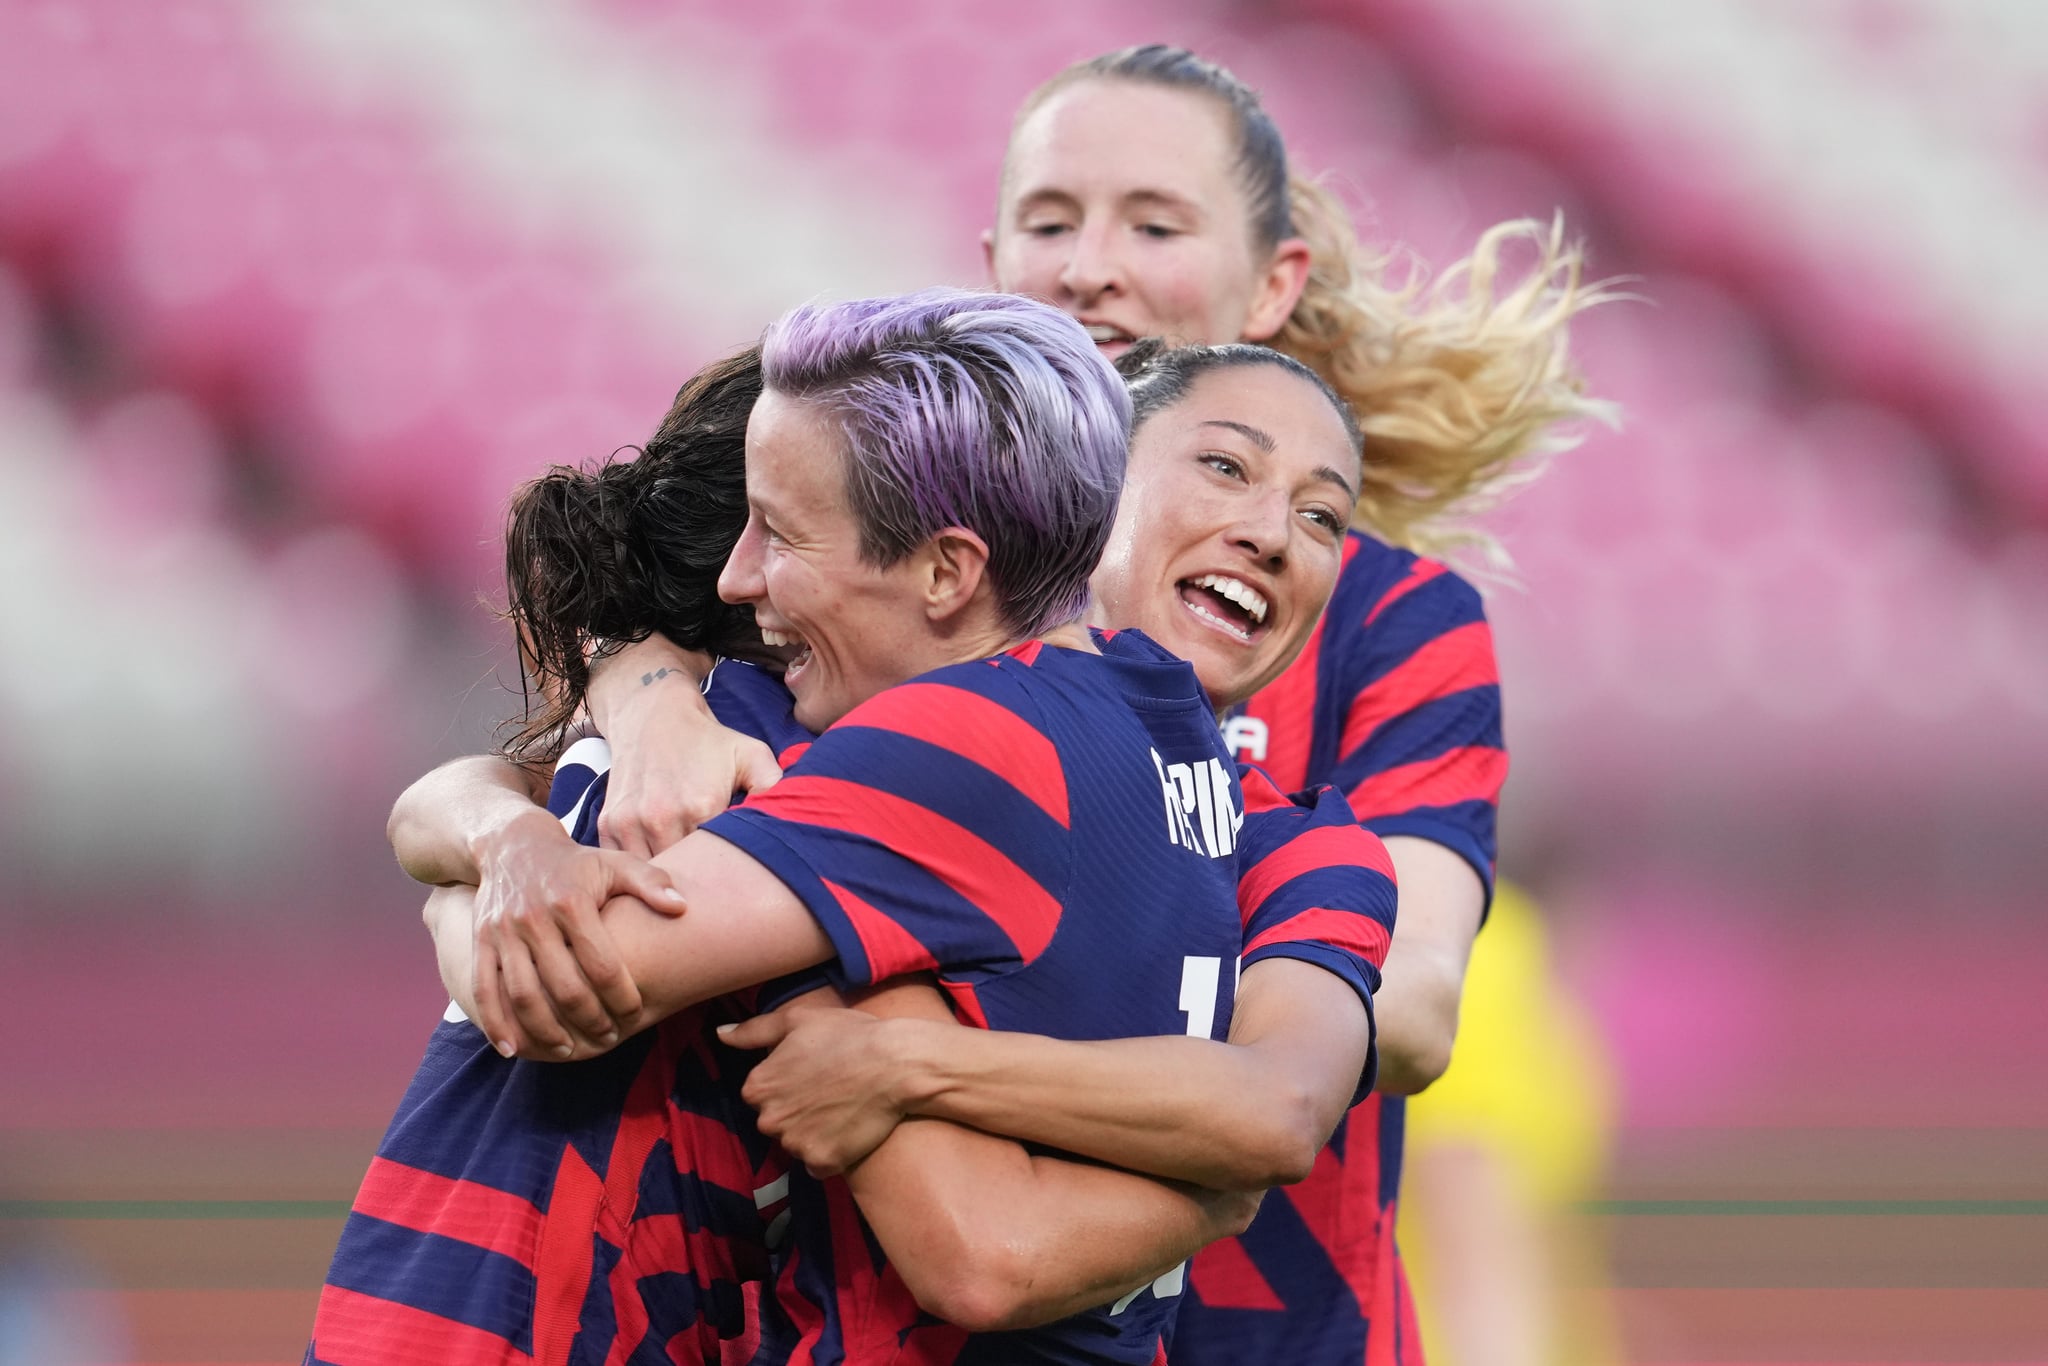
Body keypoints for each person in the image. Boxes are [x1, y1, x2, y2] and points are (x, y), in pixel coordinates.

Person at [577, 43, 1612, 1365]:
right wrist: (645, 697)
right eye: (1051, 221)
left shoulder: (1391, 617)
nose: (1091, 265)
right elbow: (628, 691)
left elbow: (1401, 1013)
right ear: (994, 258)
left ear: (1275, 281)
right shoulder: (916, 555)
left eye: (1154, 223)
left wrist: (920, 1055)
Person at [329, 294, 1396, 1364]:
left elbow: (1232, 1134)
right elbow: (1238, 1136)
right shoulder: (830, 736)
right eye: (1221, 466)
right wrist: (513, 830)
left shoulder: (937, 745)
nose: (1266, 533)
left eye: (1321, 515)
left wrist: (905, 1063)